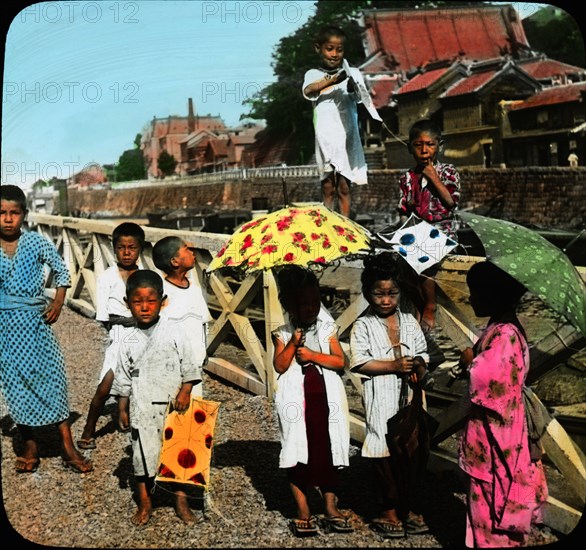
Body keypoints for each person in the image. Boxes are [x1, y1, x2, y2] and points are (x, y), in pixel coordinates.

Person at [0, 184, 93, 474]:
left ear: (24, 215)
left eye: (14, 213)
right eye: (1, 213)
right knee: (15, 384)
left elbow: (62, 271)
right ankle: (30, 445)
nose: (7, 219)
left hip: (36, 324)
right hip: (4, 329)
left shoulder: (36, 243)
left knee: (53, 379)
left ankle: (67, 446)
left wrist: (59, 302)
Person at [455, 261, 548, 547]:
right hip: (502, 425)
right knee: (492, 491)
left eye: (476, 293)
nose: (471, 299)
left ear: (493, 296)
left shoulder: (505, 334)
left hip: (498, 431)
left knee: (493, 492)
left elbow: (487, 379)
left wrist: (470, 361)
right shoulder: (501, 327)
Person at [111, 270, 204, 526]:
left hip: (175, 405)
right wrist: (122, 408)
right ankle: (145, 503)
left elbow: (190, 365)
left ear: (162, 301)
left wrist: (186, 391)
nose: (144, 307)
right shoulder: (127, 340)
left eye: (150, 301)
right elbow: (123, 378)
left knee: (178, 456)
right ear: (127, 302)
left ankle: (181, 501)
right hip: (142, 407)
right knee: (141, 458)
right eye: (137, 302)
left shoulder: (174, 330)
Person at [349, 252, 430, 538]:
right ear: (367, 293)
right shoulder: (363, 325)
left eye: (392, 294)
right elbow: (359, 361)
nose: (386, 300)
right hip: (380, 398)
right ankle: (389, 509)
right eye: (379, 294)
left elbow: (423, 354)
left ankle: (409, 506)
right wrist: (392, 366)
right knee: (383, 450)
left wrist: (417, 365)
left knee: (409, 450)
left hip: (408, 399)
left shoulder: (409, 321)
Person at [271, 265, 353, 536]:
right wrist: (293, 345)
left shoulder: (326, 327)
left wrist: (313, 355)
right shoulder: (282, 333)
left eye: (316, 302)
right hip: (297, 400)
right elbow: (280, 366)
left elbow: (340, 361)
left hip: (325, 398)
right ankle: (303, 508)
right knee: (296, 451)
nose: (311, 308)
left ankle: (330, 505)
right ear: (289, 305)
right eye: (303, 304)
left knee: (327, 448)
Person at [77, 222, 145, 449]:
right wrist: (126, 324)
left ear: (140, 249)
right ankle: (88, 430)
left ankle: (132, 420)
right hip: (118, 334)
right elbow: (104, 317)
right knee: (106, 384)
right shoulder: (107, 277)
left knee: (141, 379)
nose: (127, 252)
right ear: (114, 248)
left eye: (132, 248)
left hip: (143, 334)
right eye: (122, 247)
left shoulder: (146, 276)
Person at [398, 119, 461, 331]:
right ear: (410, 148)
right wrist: (409, 203)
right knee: (395, 259)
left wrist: (434, 178)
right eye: (418, 145)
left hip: (443, 230)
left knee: (421, 251)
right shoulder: (407, 177)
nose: (424, 150)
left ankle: (430, 305)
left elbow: (451, 202)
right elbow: (403, 209)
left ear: (438, 145)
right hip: (417, 228)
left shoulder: (448, 172)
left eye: (430, 145)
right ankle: (417, 303)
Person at [303, 25, 368, 219]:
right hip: (326, 138)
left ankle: (346, 226)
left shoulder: (352, 73)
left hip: (346, 137)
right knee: (328, 185)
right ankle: (328, 225)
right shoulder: (313, 74)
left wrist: (351, 84)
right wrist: (333, 80)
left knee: (344, 186)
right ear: (318, 48)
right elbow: (310, 90)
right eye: (329, 49)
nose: (334, 54)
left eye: (339, 50)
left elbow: (360, 97)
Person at [152, 236, 212, 397]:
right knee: (169, 414)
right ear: (175, 261)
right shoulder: (162, 293)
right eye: (187, 249)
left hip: (195, 367)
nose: (193, 252)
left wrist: (203, 352)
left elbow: (203, 323)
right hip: (170, 368)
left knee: (193, 413)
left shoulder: (195, 288)